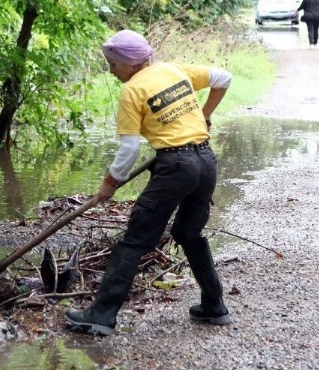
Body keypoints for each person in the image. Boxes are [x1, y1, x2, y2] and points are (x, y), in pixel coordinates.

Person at [66, 29, 232, 336]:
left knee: (135, 240)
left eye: (113, 64)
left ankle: (100, 315)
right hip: (205, 159)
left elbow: (128, 149)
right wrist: (203, 116)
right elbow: (224, 78)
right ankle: (214, 305)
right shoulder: (173, 69)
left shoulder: (131, 91)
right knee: (189, 233)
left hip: (176, 166)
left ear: (130, 64)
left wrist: (110, 183)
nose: (111, 70)